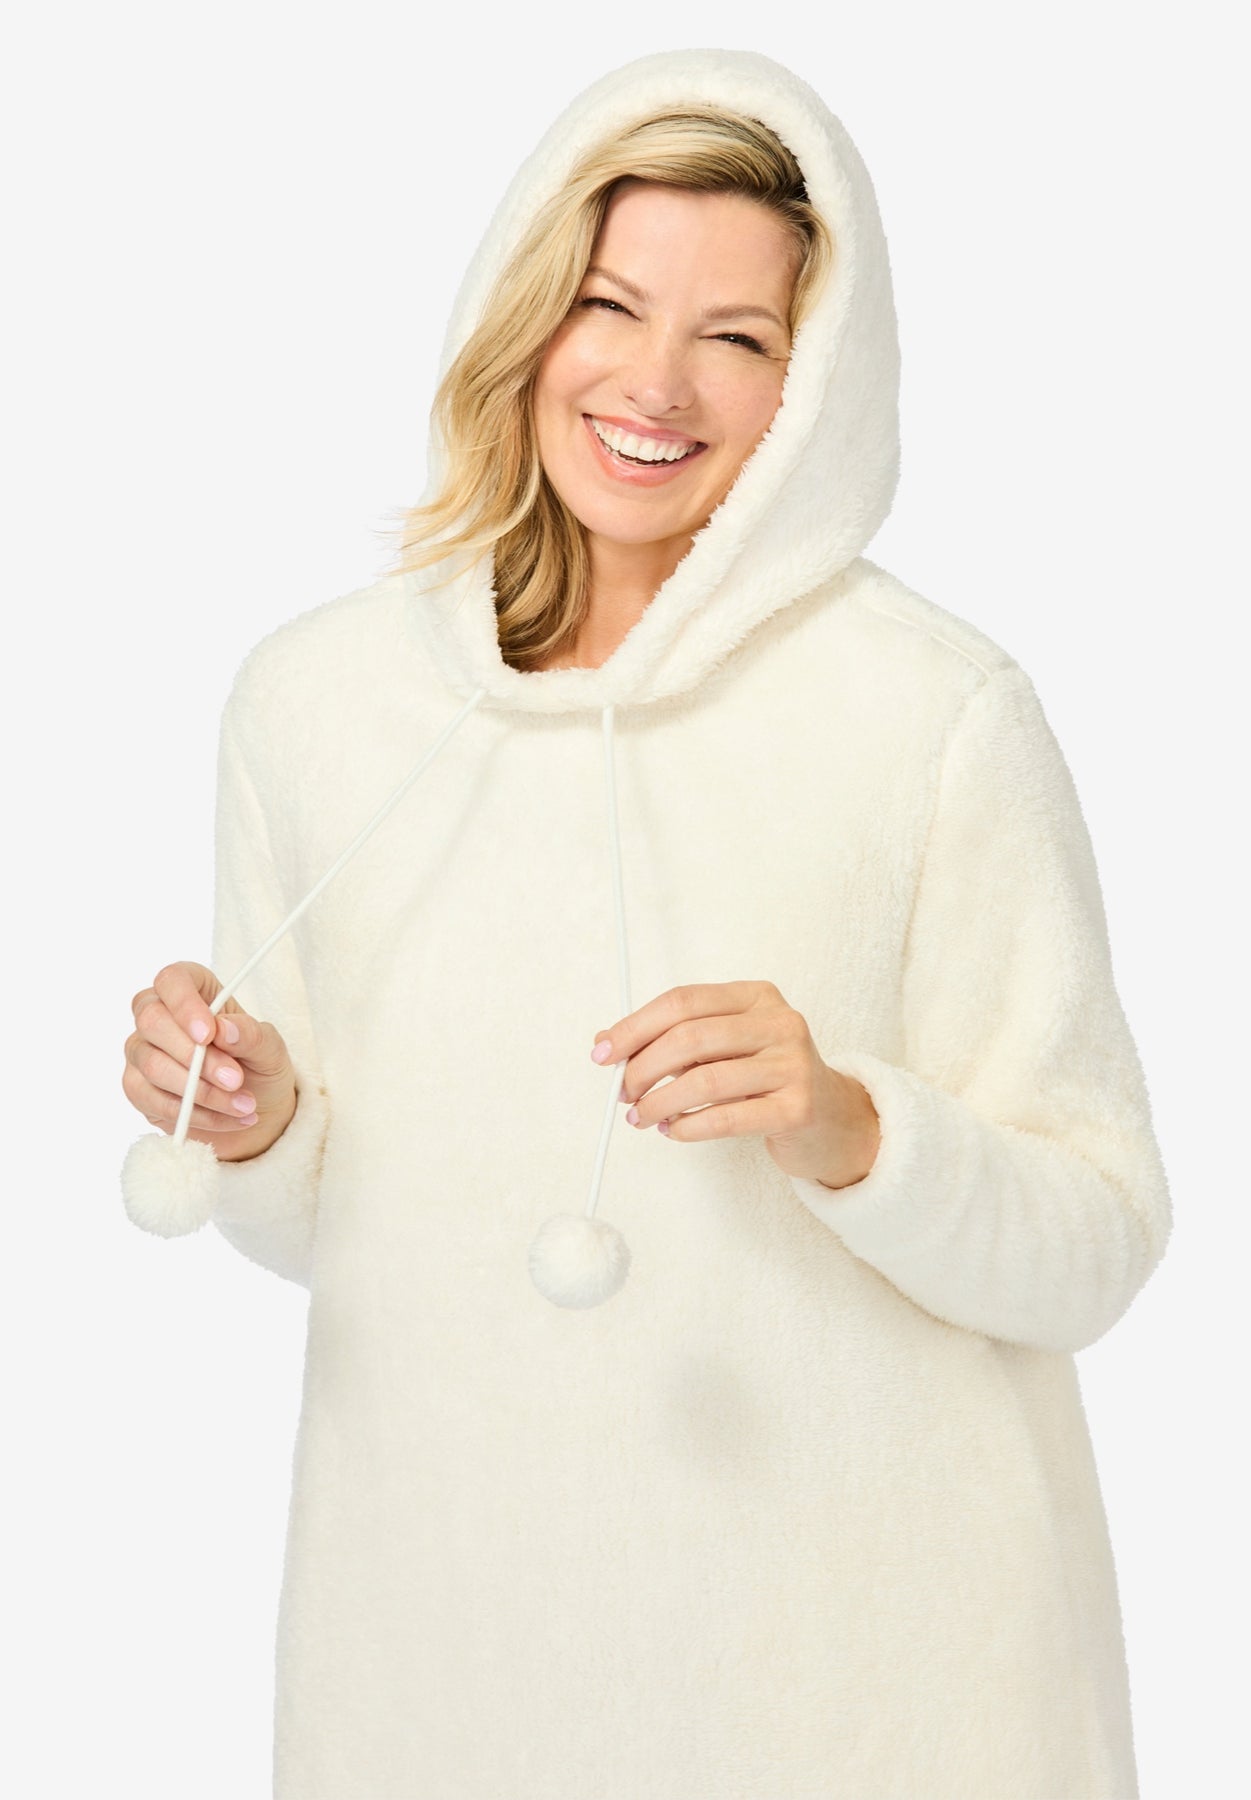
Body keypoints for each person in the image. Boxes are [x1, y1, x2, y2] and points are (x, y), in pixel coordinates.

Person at [119, 46, 1172, 1800]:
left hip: (878, 1702)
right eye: (610, 304)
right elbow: (349, 1247)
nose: (657, 383)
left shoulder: (933, 713)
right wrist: (255, 1123)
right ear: (527, 314)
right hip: (449, 1679)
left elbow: (1100, 1240)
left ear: (816, 384)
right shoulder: (318, 705)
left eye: (738, 338)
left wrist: (847, 1124)